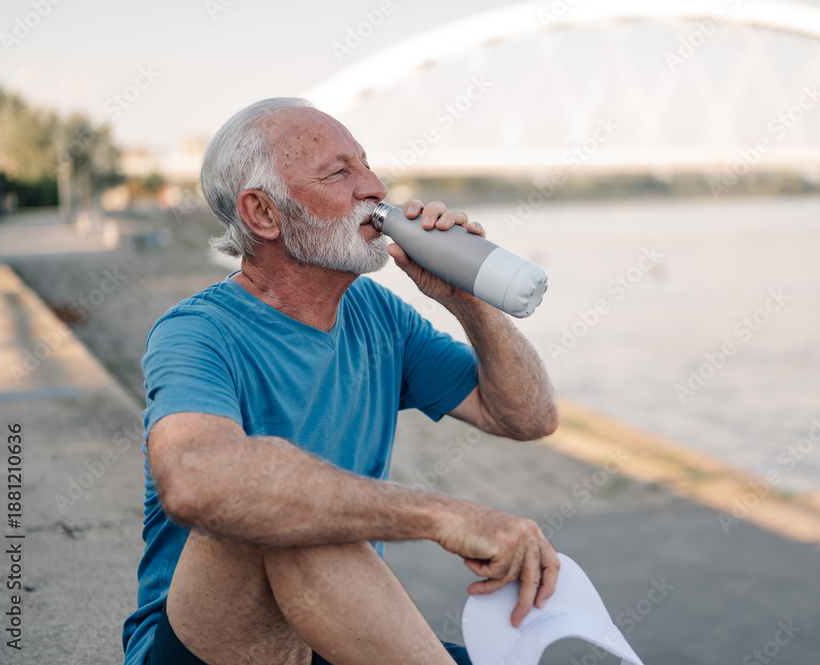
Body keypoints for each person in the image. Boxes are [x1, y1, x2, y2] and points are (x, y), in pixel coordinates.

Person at [121, 97, 561, 665]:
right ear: (263, 214)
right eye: (340, 173)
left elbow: (526, 417)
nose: (376, 186)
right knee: (283, 505)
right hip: (211, 646)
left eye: (368, 164)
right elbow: (194, 480)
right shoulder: (197, 333)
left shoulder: (377, 314)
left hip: (327, 630)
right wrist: (442, 516)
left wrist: (468, 301)